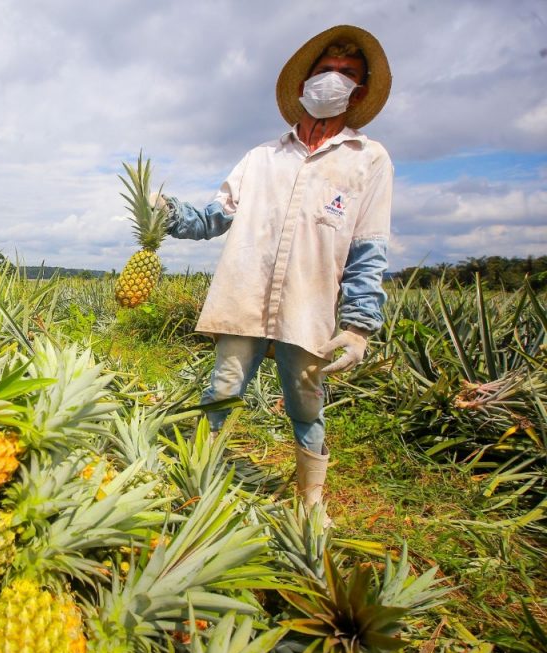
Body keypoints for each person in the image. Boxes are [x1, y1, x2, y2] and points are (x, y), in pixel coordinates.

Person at [158, 25, 393, 522]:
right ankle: (196, 482)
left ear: (361, 90)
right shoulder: (261, 156)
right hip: (244, 296)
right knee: (220, 392)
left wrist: (356, 326)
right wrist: (165, 212)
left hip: (308, 307)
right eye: (325, 70)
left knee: (307, 407)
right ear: (305, 83)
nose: (333, 80)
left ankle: (310, 503)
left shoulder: (369, 160)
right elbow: (213, 218)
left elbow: (368, 248)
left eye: (346, 73)